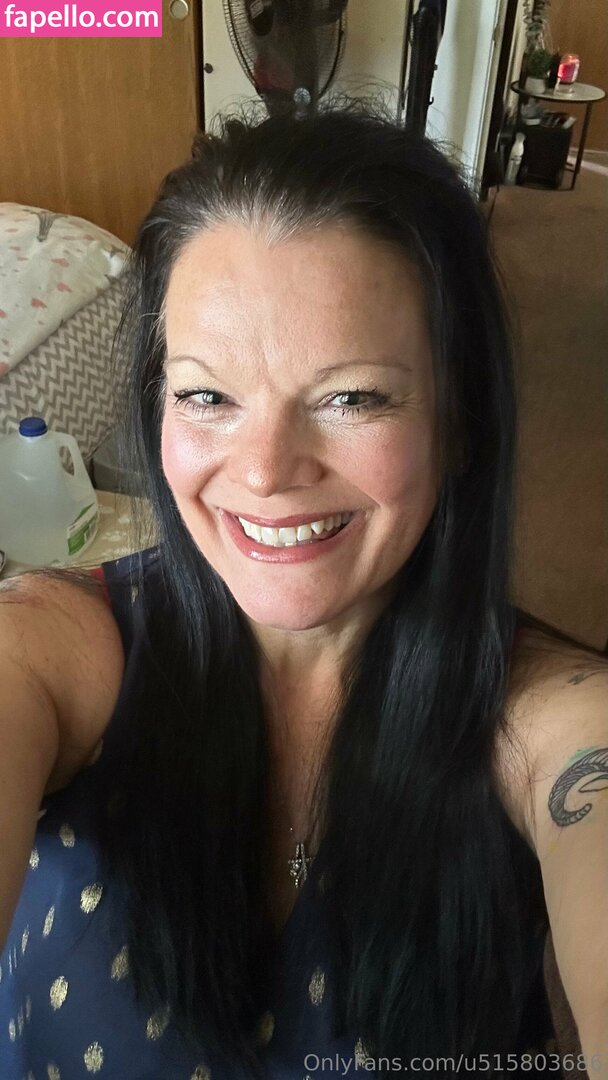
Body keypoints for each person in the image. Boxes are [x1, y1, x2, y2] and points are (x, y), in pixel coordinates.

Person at [0, 104, 606, 1080]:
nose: (265, 470)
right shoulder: (51, 650)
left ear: (458, 420)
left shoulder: (553, 727)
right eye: (207, 396)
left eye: (350, 397)